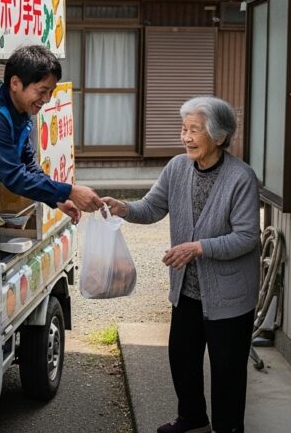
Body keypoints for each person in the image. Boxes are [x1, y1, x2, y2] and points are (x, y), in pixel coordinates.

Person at [102, 96, 259, 433]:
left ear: (219, 136)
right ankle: (193, 420)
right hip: (187, 291)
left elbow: (247, 237)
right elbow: (151, 208)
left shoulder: (241, 177)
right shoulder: (176, 168)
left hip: (229, 298)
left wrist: (199, 248)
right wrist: (123, 208)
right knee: (182, 360)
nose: (185, 137)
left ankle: (228, 429)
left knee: (227, 371)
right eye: (183, 129)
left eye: (194, 130)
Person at [0, 45, 103, 223]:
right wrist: (69, 191)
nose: (47, 99)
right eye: (42, 91)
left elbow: (28, 162)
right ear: (15, 83)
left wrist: (57, 198)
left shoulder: (20, 108)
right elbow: (14, 176)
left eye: (51, 92)